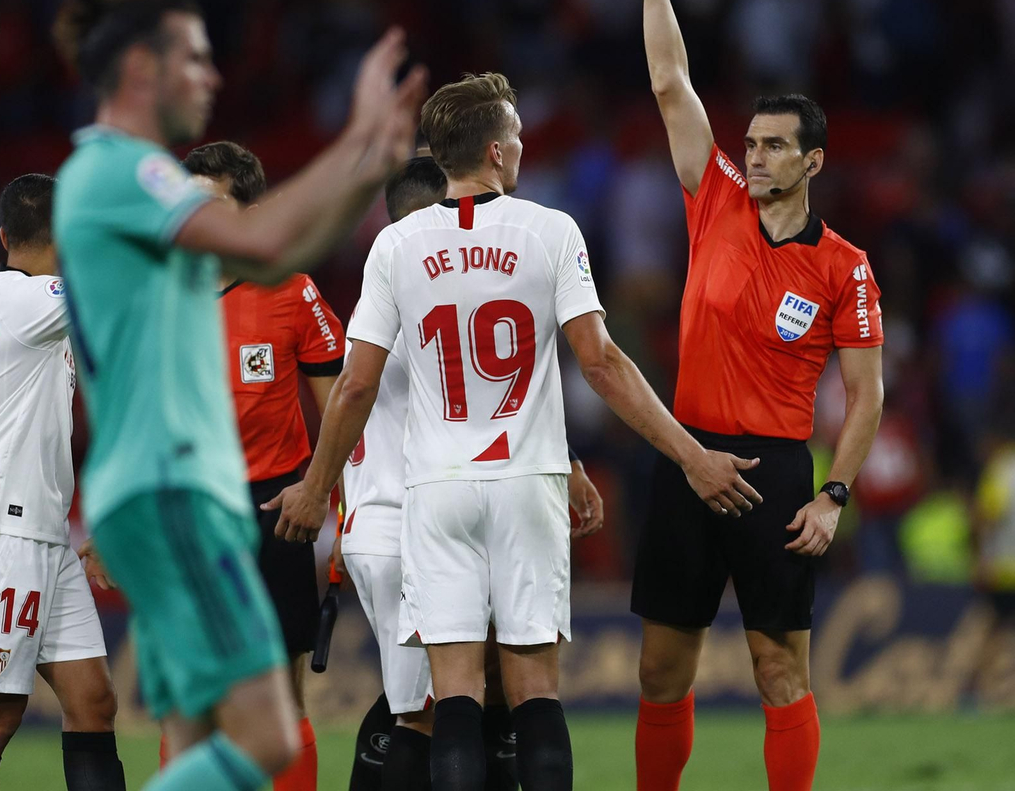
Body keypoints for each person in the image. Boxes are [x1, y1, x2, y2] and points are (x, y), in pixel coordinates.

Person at [271, 71, 759, 791]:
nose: (525, 145)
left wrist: (317, 490)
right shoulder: (550, 230)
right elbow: (602, 362)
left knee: (457, 692)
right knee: (534, 691)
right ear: (497, 152)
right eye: (520, 136)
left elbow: (355, 384)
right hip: (528, 480)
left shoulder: (396, 245)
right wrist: (689, 456)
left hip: (437, 489)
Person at [49, 0, 428, 791]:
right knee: (265, 735)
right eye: (196, 58)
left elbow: (276, 259)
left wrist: (369, 174)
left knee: (193, 733)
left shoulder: (118, 183)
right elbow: (261, 242)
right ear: (143, 69)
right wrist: (358, 138)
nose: (213, 77)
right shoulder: (128, 174)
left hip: (171, 489)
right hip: (173, 488)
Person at [624, 0, 886, 791]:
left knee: (780, 673)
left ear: (815, 159)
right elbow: (670, 82)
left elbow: (868, 395)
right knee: (663, 672)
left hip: (776, 475)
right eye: (753, 144)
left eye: (777, 146)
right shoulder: (717, 202)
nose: (759, 155)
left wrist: (834, 495)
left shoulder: (844, 265)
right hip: (687, 455)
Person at [328, 154, 606, 791]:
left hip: (399, 518)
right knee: (437, 711)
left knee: (439, 702)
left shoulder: (386, 304)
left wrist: (327, 494)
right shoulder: (418, 293)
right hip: (415, 517)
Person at [0, 174, 125, 791]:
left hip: (38, 529)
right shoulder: (36, 299)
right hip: (0, 532)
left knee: (93, 702)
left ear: (2, 236)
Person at [180, 140, 350, 791]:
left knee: (280, 694)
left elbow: (341, 406)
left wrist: (324, 490)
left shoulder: (288, 288)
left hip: (273, 509)